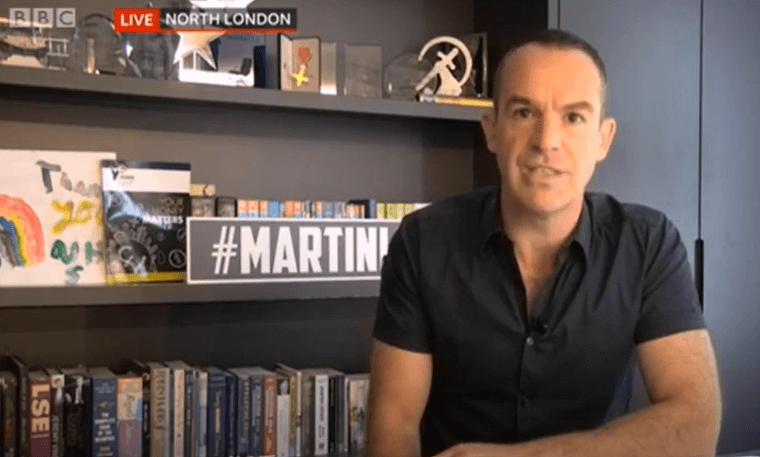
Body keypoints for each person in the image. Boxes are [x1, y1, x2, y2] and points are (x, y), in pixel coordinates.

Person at [367, 29, 722, 457]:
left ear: (603, 139)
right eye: (523, 113)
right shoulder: (422, 242)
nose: (546, 141)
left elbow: (696, 420)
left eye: (573, 117)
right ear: (491, 129)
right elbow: (394, 424)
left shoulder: (648, 244)